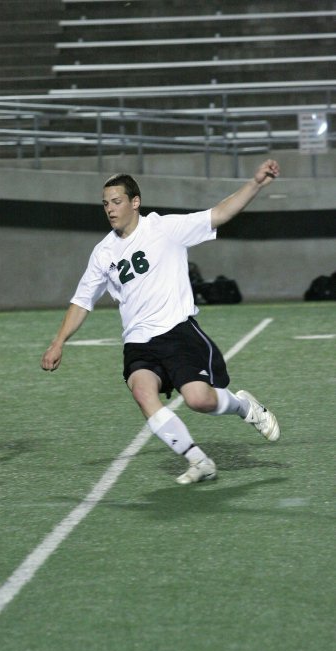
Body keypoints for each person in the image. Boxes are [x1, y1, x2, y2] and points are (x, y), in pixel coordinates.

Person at [41, 159, 280, 485]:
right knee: (142, 392)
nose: (110, 209)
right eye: (105, 204)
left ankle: (242, 406)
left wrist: (256, 183)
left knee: (200, 400)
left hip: (177, 331)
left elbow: (220, 213)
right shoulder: (103, 253)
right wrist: (59, 341)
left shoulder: (164, 229)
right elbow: (82, 300)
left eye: (117, 201)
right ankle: (199, 461)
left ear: (135, 202)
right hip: (138, 341)